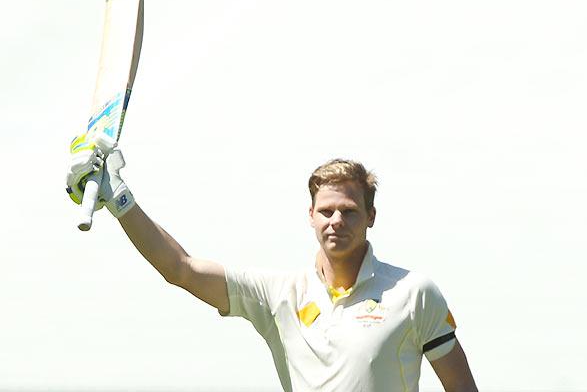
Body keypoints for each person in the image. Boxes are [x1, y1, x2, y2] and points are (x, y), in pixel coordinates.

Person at [66, 136, 478, 392]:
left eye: (350, 211)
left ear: (370, 216)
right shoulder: (278, 294)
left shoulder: (414, 294)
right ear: (311, 216)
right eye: (327, 211)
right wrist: (121, 202)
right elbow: (181, 269)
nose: (337, 221)